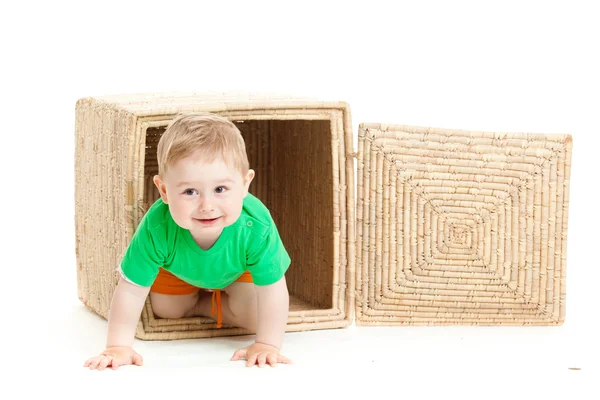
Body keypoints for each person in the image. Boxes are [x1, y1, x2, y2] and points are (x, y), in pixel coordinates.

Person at [84, 112, 292, 369]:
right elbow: (130, 289)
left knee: (255, 316)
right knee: (167, 309)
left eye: (220, 189)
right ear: (164, 191)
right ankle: (199, 303)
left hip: (237, 271)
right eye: (190, 191)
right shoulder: (157, 227)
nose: (207, 206)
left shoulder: (255, 226)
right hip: (179, 272)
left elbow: (273, 287)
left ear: (245, 184)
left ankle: (210, 304)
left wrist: (268, 344)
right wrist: (118, 347)